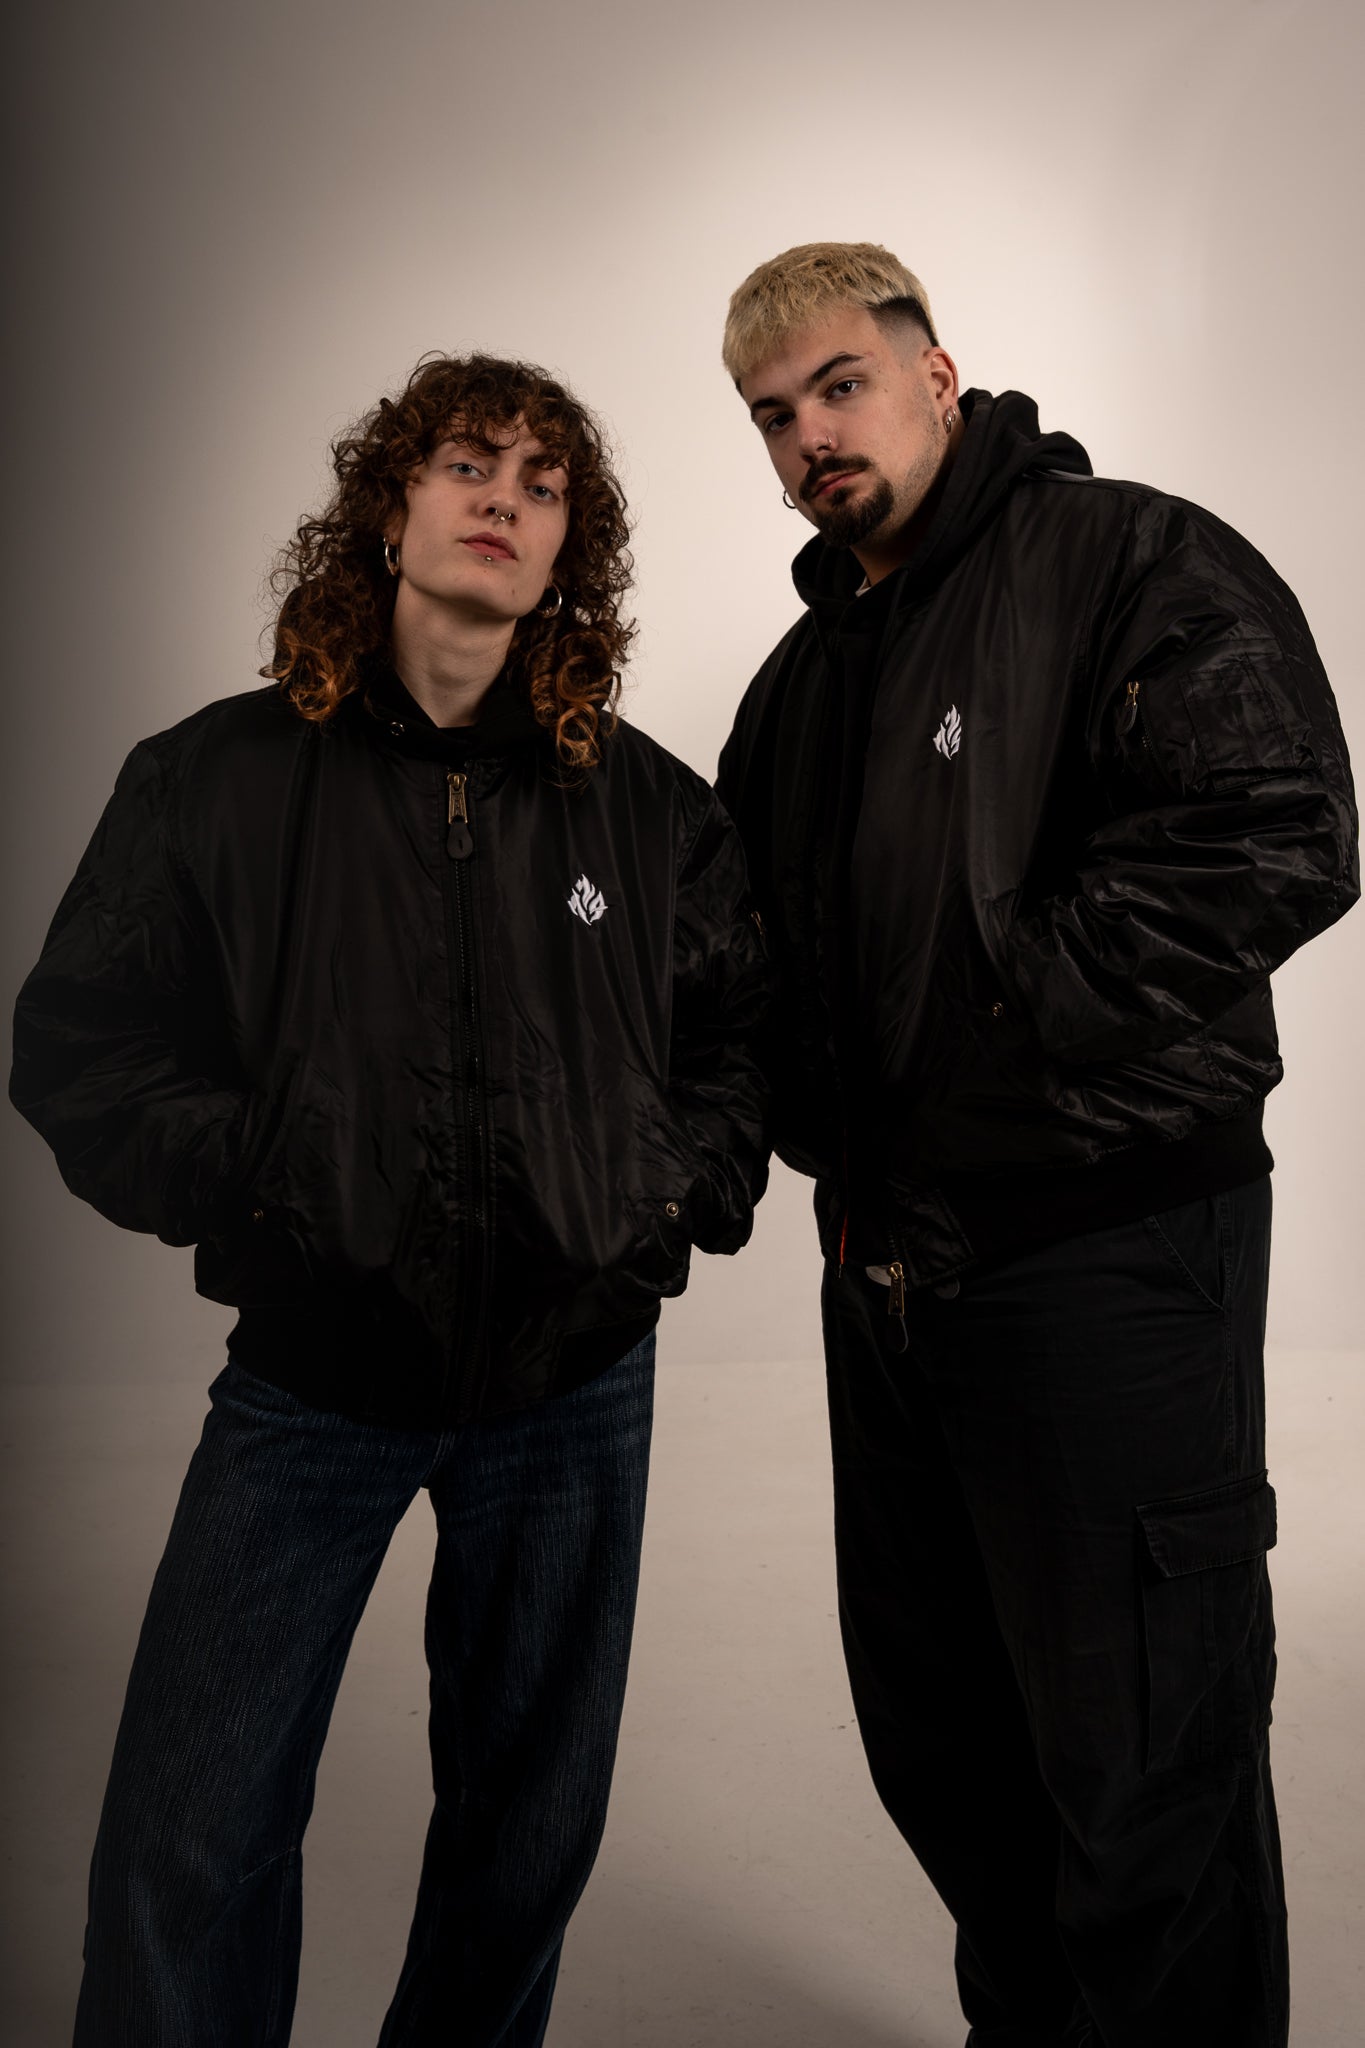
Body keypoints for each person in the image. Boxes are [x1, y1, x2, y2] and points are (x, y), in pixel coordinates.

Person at [10, 350, 769, 2047]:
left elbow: (741, 1039)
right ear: (388, 509)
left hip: (572, 1386)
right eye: (466, 464)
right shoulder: (212, 779)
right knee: (191, 1830)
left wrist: (659, 1200)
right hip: (316, 1380)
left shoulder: (645, 806)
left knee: (527, 1832)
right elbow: (80, 1044)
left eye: (543, 484)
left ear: (567, 555)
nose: (504, 498)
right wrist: (269, 1181)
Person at [715, 242, 1358, 2048]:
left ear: (935, 376)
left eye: (838, 384)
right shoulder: (800, 680)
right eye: (770, 414)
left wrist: (995, 1023)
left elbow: (1278, 827)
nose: (808, 435)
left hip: (1102, 1256)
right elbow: (738, 972)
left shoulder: (1129, 559)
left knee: (1143, 1764)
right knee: (950, 1749)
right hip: (886, 1281)